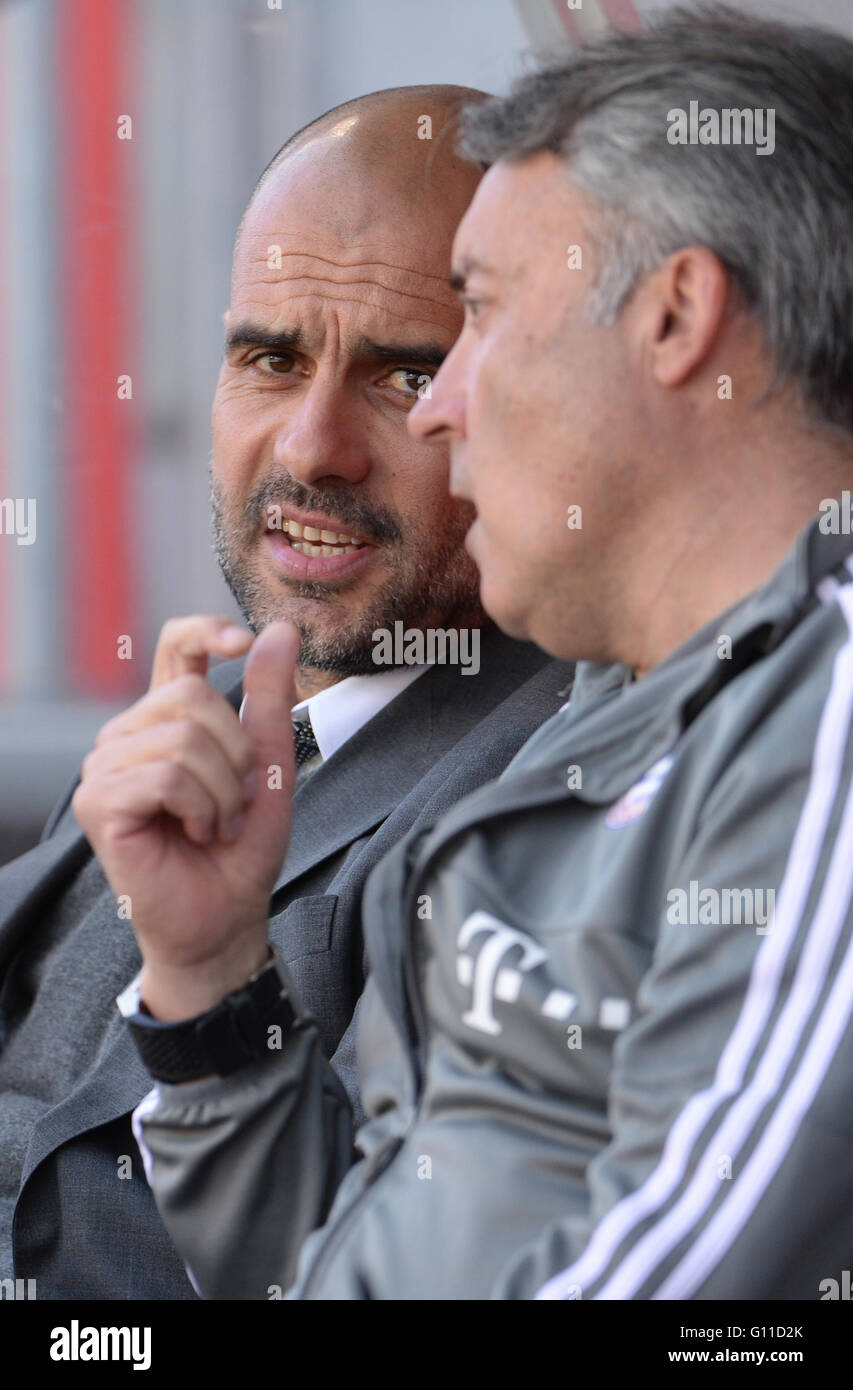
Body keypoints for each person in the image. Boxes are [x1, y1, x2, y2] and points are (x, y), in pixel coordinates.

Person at [115, 6, 853, 1300]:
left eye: (480, 317)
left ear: (676, 316)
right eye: (267, 358)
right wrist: (213, 973)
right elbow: (335, 1254)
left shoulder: (828, 709)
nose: (447, 405)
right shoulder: (622, 704)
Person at [0, 84, 572, 1300]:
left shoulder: (549, 789)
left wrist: (217, 989)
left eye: (405, 379)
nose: (312, 446)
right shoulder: (208, 706)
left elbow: (368, 1270)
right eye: (269, 358)